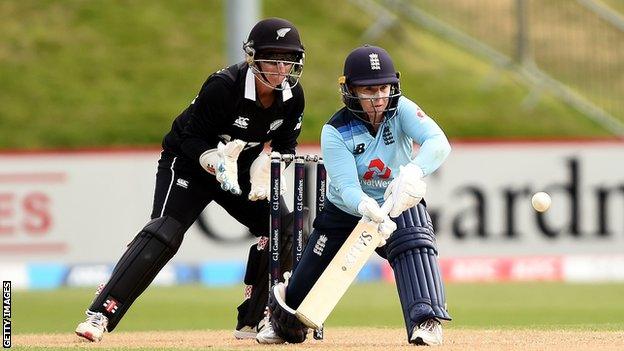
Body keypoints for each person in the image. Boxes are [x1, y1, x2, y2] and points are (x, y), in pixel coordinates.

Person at [74, 17, 307, 342]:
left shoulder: (293, 97)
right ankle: (101, 314)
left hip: (240, 167)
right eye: (273, 59)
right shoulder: (223, 86)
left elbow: (285, 144)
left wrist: (266, 167)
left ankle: (256, 321)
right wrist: (213, 161)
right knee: (165, 232)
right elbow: (191, 137)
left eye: (288, 60)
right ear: (253, 57)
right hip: (188, 163)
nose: (281, 70)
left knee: (284, 224)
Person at [255, 45, 452, 346]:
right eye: (368, 89)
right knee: (307, 279)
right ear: (350, 90)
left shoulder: (401, 111)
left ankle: (425, 321)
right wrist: (364, 205)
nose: (378, 97)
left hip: (396, 199)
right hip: (346, 209)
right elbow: (346, 186)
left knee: (414, 242)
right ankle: (282, 325)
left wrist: (412, 172)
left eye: (384, 88)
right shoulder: (334, 131)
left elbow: (438, 142)